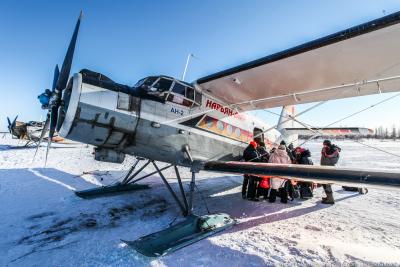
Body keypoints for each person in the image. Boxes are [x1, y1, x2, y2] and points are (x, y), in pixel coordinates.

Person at [320, 140, 340, 204]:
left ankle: (330, 200)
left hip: (328, 168)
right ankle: (328, 197)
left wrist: (324, 152)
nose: (323, 146)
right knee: (325, 184)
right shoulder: (331, 150)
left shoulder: (330, 150)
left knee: (327, 184)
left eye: (324, 144)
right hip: (327, 167)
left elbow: (329, 157)